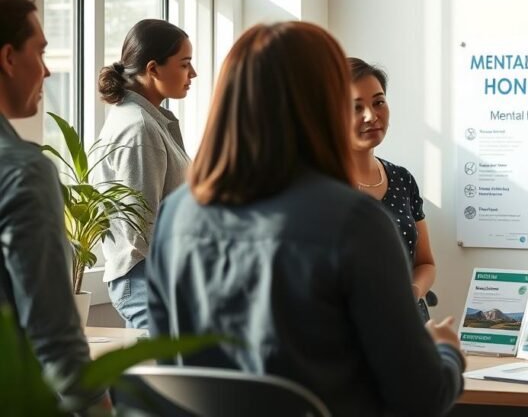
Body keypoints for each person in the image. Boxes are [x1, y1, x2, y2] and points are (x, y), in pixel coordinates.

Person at [147, 22, 464, 417]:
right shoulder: (355, 222)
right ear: (321, 102)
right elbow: (420, 397)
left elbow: (169, 370)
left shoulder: (177, 214)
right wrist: (446, 350)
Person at [0, 0, 109, 413]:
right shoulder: (23, 172)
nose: (46, 72)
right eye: (39, 53)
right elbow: (54, 337)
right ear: (8, 58)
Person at [95, 19, 195, 330]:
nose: (193, 74)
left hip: (156, 280)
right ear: (153, 69)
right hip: (146, 282)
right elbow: (141, 226)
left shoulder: (148, 121)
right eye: (185, 64)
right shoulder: (138, 127)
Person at [348, 58, 436, 320]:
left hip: (412, 328)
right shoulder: (319, 186)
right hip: (349, 339)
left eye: (379, 102)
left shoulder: (401, 178)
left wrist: (413, 291)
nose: (371, 116)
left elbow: (425, 263)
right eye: (356, 107)